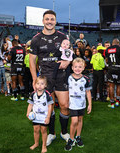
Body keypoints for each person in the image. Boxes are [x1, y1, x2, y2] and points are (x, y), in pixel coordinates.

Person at [29, 10, 71, 146]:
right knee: (49, 108)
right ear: (43, 21)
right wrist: (35, 81)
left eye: (52, 19)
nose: (49, 22)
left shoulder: (62, 36)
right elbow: (31, 61)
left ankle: (64, 132)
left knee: (65, 105)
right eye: (47, 19)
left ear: (55, 21)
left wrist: (68, 62)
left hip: (61, 76)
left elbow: (70, 53)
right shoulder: (36, 39)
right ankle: (51, 134)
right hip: (45, 78)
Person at [64, 57, 92, 151]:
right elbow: (66, 91)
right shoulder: (68, 78)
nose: (78, 69)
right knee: (74, 121)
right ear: (72, 67)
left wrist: (90, 104)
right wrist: (66, 101)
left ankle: (78, 136)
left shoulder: (86, 79)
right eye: (76, 67)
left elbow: (88, 92)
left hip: (82, 104)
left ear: (83, 68)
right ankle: (71, 139)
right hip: (72, 104)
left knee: (80, 120)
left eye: (80, 67)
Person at [26, 76, 54, 153]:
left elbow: (50, 106)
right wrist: (28, 113)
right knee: (36, 130)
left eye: (42, 84)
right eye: (38, 83)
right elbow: (30, 104)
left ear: (45, 85)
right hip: (35, 116)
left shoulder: (47, 94)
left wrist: (48, 117)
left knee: (44, 130)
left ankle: (44, 146)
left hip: (44, 117)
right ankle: (36, 143)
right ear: (35, 85)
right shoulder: (33, 94)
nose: (40, 85)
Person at [105, 39, 120, 108]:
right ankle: (117, 102)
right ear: (118, 43)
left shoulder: (108, 49)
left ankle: (112, 103)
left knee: (111, 86)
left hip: (111, 68)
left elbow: (107, 60)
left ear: (112, 43)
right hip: (118, 68)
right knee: (118, 85)